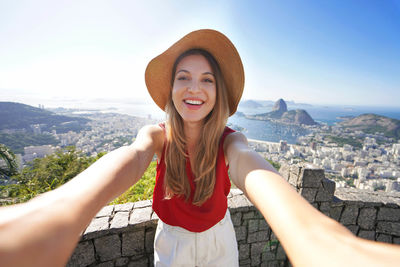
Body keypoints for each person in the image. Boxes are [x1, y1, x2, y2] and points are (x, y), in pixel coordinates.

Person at [0, 29, 400, 267]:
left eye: (207, 80)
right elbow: (131, 157)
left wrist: (319, 239)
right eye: (184, 77)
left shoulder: (232, 142)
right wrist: (60, 210)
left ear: (218, 92)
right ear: (171, 88)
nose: (194, 88)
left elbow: (254, 170)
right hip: (170, 241)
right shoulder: (157, 136)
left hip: (218, 241)